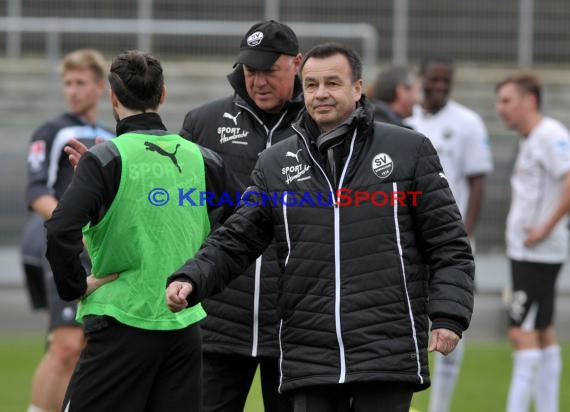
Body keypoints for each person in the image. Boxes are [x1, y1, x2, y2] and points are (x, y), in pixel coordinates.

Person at [166, 42, 475, 412]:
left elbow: (449, 244)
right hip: (310, 354)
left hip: (385, 349)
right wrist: (193, 276)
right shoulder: (275, 164)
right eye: (311, 85)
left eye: (332, 83)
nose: (321, 94)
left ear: (357, 88)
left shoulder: (408, 149)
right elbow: (237, 238)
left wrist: (448, 315)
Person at [45, 50, 240, 412]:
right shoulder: (205, 159)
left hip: (120, 323)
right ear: (162, 95)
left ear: (113, 96)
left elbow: (60, 229)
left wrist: (75, 285)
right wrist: (201, 273)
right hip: (183, 327)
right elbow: (242, 226)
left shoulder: (104, 161)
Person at [179, 20, 303, 412]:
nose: (258, 81)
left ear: (296, 64)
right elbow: (180, 209)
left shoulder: (319, 126)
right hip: (217, 323)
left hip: (293, 328)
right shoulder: (204, 123)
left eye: (269, 70)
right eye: (251, 71)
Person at [23, 48, 114, 412]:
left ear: (99, 87)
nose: (73, 90)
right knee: (65, 346)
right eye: (67, 83)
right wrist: (71, 230)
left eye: (81, 83)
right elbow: (35, 192)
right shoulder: (53, 131)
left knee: (83, 347)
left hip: (91, 249)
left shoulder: (109, 136)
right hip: (56, 245)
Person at [406, 55, 493, 412]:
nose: (440, 86)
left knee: (450, 320)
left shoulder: (468, 122)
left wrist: (464, 234)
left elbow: (478, 182)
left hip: (447, 240)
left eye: (447, 81)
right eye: (434, 79)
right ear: (421, 77)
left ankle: (440, 407)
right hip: (406, 240)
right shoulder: (405, 119)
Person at [495, 73, 570, 412]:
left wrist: (544, 227)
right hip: (530, 251)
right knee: (541, 330)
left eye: (507, 100)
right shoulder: (531, 138)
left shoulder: (550, 135)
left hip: (536, 252)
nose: (500, 109)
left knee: (520, 333)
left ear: (530, 100)